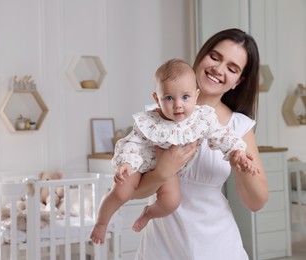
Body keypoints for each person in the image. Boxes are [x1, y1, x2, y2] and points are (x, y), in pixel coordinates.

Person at [89, 58, 259, 245]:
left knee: (171, 202)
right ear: (157, 98)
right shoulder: (150, 120)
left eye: (185, 97)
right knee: (121, 192)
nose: (178, 105)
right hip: (139, 163)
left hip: (170, 169)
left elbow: (222, 135)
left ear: (196, 95)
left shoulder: (202, 118)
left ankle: (148, 213)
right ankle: (101, 222)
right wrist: (126, 163)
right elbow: (132, 142)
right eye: (169, 98)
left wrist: (237, 151)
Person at [133, 28, 268, 260]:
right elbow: (135, 192)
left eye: (232, 68)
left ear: (239, 81)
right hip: (161, 248)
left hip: (217, 247)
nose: (218, 68)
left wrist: (239, 164)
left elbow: (256, 202)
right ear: (201, 56)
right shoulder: (157, 118)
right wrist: (162, 173)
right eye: (215, 57)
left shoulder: (238, 127)